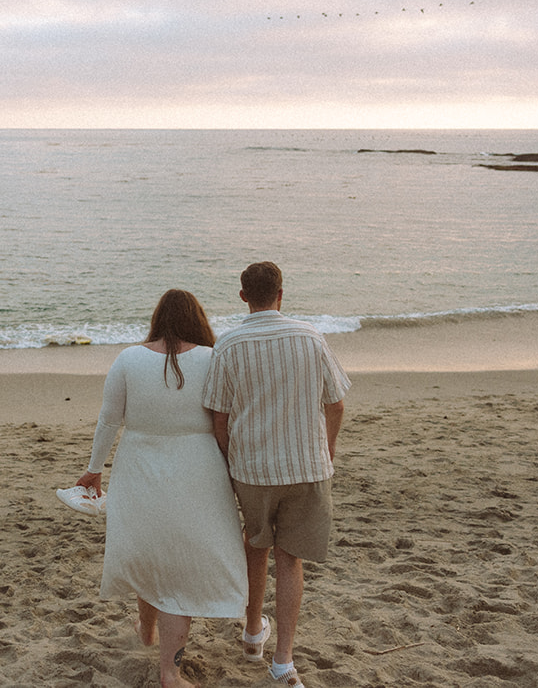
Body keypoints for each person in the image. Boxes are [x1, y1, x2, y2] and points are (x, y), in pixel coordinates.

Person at [72, 289, 248, 688]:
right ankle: (170, 672)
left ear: (157, 319)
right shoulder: (213, 358)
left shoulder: (129, 358)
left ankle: (147, 631)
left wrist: (93, 470)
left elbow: (107, 420)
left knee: (152, 550)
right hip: (199, 468)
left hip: (139, 465)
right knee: (181, 570)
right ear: (197, 320)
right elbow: (230, 419)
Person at [204, 262, 350, 688]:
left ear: (243, 296)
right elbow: (336, 403)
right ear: (282, 293)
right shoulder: (311, 337)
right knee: (291, 559)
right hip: (306, 464)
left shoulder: (229, 345)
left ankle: (252, 635)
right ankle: (283, 660)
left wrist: (232, 461)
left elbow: (218, 417)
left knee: (256, 545)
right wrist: (329, 448)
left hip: (252, 468)